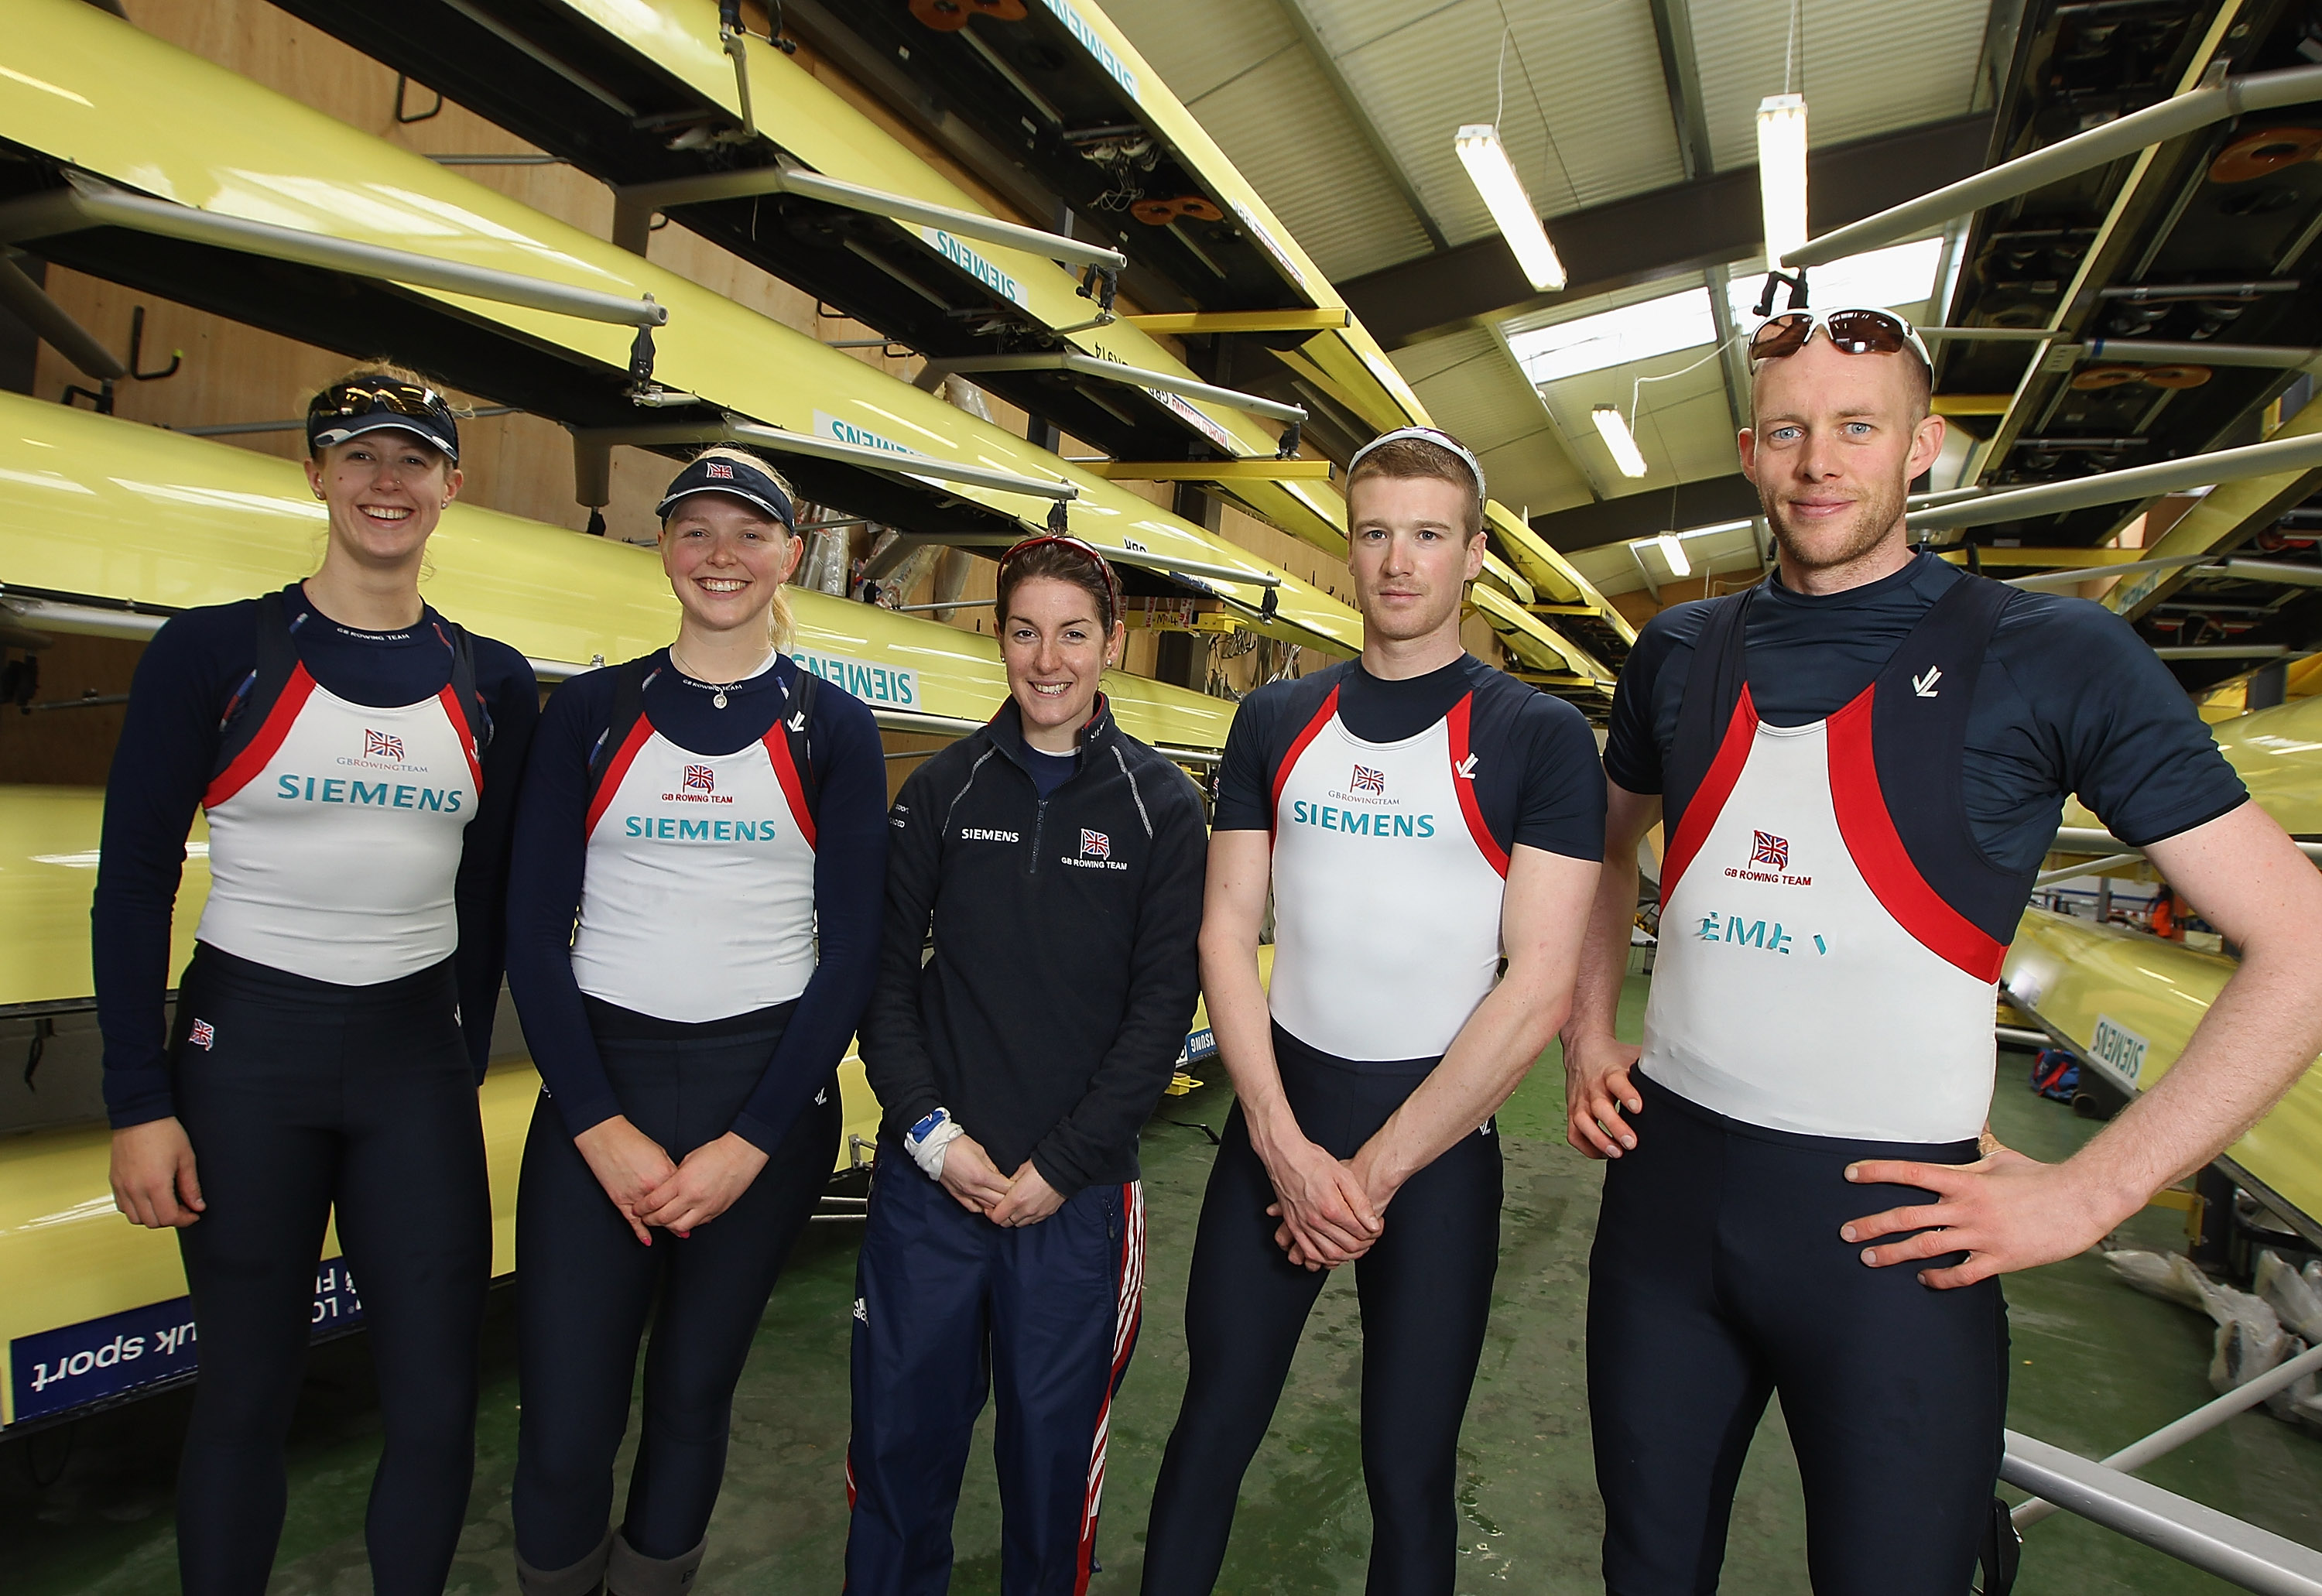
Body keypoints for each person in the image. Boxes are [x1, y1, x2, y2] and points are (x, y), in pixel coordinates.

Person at [1563, 304, 2322, 1594]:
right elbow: (1605, 849)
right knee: (1645, 1571)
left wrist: (2097, 1191)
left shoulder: (2050, 654)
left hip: (1895, 1234)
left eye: (1859, 427)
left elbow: (2298, 942)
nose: (1821, 463)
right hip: (1662, 1209)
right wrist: (1587, 1028)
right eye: (1791, 431)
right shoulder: (1680, 649)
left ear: (1925, 449)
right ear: (1751, 450)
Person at [94, 367, 539, 1596]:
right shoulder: (215, 651)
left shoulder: (491, 679)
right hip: (246, 1061)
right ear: (315, 474)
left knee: (438, 1403)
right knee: (243, 1396)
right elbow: (131, 882)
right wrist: (139, 1099)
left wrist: (449, 1047)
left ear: (453, 484)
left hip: (413, 1067)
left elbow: (489, 896)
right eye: (358, 456)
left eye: (412, 461)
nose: (384, 483)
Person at [1142, 427, 1606, 1596]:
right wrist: (1284, 1146)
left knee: (1408, 1469)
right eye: (1375, 531)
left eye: (1428, 535)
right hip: (1278, 1125)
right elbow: (1223, 931)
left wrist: (1371, 1174)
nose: (1399, 561)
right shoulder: (1277, 717)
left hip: (1436, 1151)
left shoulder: (1536, 737)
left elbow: (1541, 980)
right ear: (1348, 547)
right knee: (1209, 1434)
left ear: (1474, 555)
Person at [502, 446, 887, 1596]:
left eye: (749, 533)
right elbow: (532, 934)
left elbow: (853, 953)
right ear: (663, 547)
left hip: (759, 1105)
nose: (722, 557)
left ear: (788, 556)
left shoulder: (834, 727)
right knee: (567, 1413)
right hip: (598, 1095)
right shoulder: (592, 710)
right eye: (697, 531)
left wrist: (752, 1139)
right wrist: (599, 1124)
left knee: (688, 1395)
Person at [844, 533, 1207, 1596]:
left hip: (1078, 1206)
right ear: (999, 637)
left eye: (1073, 634)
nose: (1048, 659)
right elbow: (886, 986)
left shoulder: (1163, 808)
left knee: (1051, 1481)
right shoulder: (943, 791)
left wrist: (1061, 1165)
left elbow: (1158, 1019)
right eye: (1024, 631)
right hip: (931, 1198)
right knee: (898, 1460)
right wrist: (932, 1137)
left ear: (1113, 643)